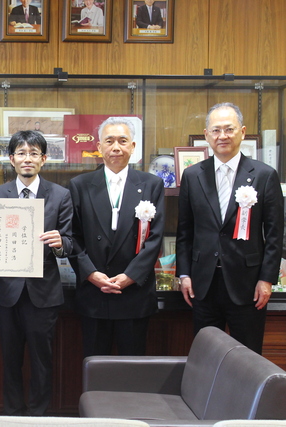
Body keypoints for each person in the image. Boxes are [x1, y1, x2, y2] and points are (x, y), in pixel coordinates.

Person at [176, 102, 284, 354]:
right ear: (206, 135)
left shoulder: (264, 175)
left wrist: (267, 279)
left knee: (248, 357)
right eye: (215, 130)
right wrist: (184, 274)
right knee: (205, 355)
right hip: (203, 284)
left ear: (242, 132)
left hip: (248, 285)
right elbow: (185, 232)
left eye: (229, 129)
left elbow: (274, 234)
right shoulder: (192, 175)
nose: (222, 136)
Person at [0, 130, 73, 416]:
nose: (27, 159)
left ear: (43, 159)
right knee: (9, 358)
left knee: (41, 359)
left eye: (34, 153)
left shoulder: (60, 195)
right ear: (11, 159)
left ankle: (38, 415)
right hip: (6, 291)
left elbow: (70, 242)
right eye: (21, 153)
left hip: (43, 292)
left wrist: (61, 243)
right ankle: (12, 413)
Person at [69, 117, 164, 357]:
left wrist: (130, 277)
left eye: (123, 141)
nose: (116, 147)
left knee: (132, 368)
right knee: (94, 365)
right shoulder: (80, 185)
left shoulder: (152, 184)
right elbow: (72, 236)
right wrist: (91, 274)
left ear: (133, 146)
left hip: (134, 293)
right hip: (94, 292)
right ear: (99, 147)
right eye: (109, 141)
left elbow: (155, 238)